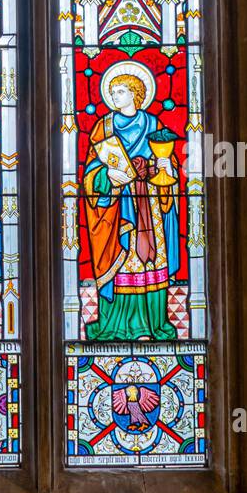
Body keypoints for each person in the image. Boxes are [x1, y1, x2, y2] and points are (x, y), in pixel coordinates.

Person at [81, 66, 179, 341]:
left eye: (120, 91)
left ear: (136, 94)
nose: (114, 96)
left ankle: (153, 323)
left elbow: (169, 166)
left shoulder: (154, 125)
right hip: (118, 206)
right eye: (112, 91)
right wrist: (107, 176)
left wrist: (162, 168)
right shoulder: (104, 126)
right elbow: (90, 170)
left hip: (148, 203)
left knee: (151, 262)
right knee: (123, 261)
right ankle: (117, 325)